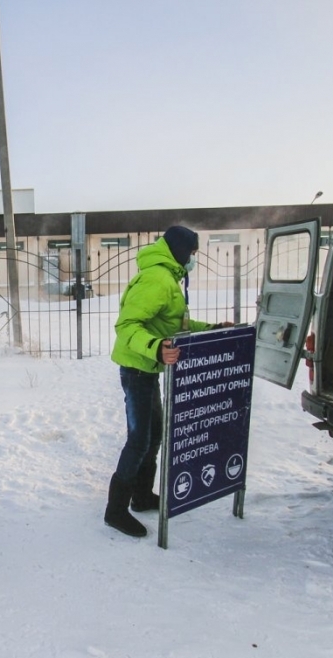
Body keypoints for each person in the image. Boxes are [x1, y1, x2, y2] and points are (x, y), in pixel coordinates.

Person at [105, 225, 225, 537]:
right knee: (139, 440)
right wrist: (157, 347)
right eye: (193, 253)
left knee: (154, 435)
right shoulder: (157, 279)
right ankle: (115, 511)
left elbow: (177, 324)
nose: (194, 260)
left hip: (149, 368)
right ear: (180, 250)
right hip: (137, 369)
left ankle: (141, 496)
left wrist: (212, 328)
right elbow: (126, 325)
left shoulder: (170, 277)